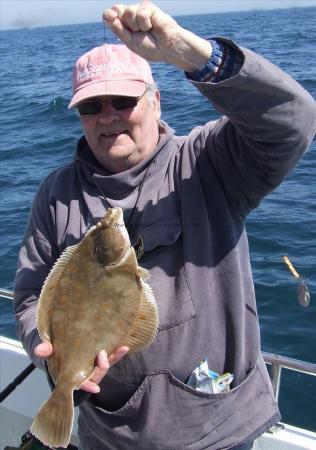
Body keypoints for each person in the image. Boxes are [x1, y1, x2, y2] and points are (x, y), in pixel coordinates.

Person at [13, 2, 316, 450]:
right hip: (109, 431)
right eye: (92, 106)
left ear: (156, 100)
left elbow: (292, 121)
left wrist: (190, 53)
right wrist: (47, 346)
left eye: (123, 101)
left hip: (216, 428)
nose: (109, 115)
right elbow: (31, 295)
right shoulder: (56, 195)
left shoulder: (209, 162)